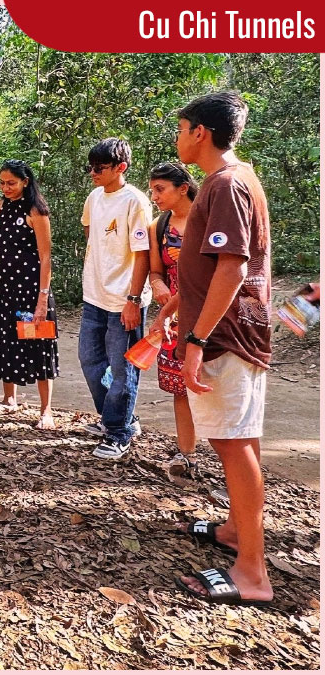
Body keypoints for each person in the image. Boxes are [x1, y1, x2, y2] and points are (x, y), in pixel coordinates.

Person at [169, 92, 274, 607]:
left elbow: (231, 268)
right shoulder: (235, 179)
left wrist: (195, 340)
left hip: (225, 335)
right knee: (236, 437)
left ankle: (252, 573)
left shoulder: (228, 184)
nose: (177, 137)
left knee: (235, 444)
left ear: (200, 133)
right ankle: (236, 529)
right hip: (231, 332)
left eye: (181, 128)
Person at [78, 138, 153, 460]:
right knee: (90, 361)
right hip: (94, 295)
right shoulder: (94, 197)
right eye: (90, 167)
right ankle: (118, 419)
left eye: (100, 168)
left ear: (120, 168)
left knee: (123, 370)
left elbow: (143, 253)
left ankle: (119, 432)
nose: (93, 173)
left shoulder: (135, 201)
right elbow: (89, 232)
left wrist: (133, 299)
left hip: (125, 300)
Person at [0, 160, 60, 429]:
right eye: (2, 183)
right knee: (6, 338)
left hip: (31, 290)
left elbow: (46, 256)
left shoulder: (36, 211)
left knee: (38, 343)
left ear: (25, 182)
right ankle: (9, 399)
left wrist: (42, 298)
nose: (5, 188)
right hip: (5, 287)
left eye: (11, 183)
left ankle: (46, 410)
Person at [143, 163, 203, 480]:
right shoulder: (159, 225)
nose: (154, 196)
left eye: (160, 189)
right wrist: (157, 284)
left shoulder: (206, 220)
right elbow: (156, 270)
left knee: (210, 384)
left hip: (208, 312)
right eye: (152, 189)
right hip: (173, 316)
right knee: (180, 388)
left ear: (183, 187)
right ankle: (187, 455)